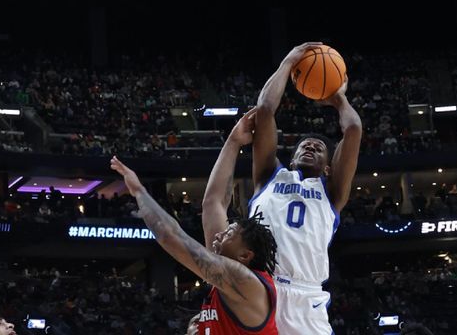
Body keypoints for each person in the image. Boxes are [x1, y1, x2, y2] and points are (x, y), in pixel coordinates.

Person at [250, 42, 363, 335]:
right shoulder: (269, 177)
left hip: (307, 296)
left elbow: (353, 130)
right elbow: (263, 110)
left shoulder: (332, 193)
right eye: (304, 145)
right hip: (262, 287)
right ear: (291, 157)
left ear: (329, 168)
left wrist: (338, 99)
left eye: (319, 148)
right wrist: (288, 63)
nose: (311, 146)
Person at [111, 141, 278, 335]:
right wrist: (233, 141)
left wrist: (139, 191)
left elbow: (169, 236)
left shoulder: (246, 282)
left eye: (229, 234)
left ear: (245, 256)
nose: (220, 234)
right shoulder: (228, 279)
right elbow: (213, 203)